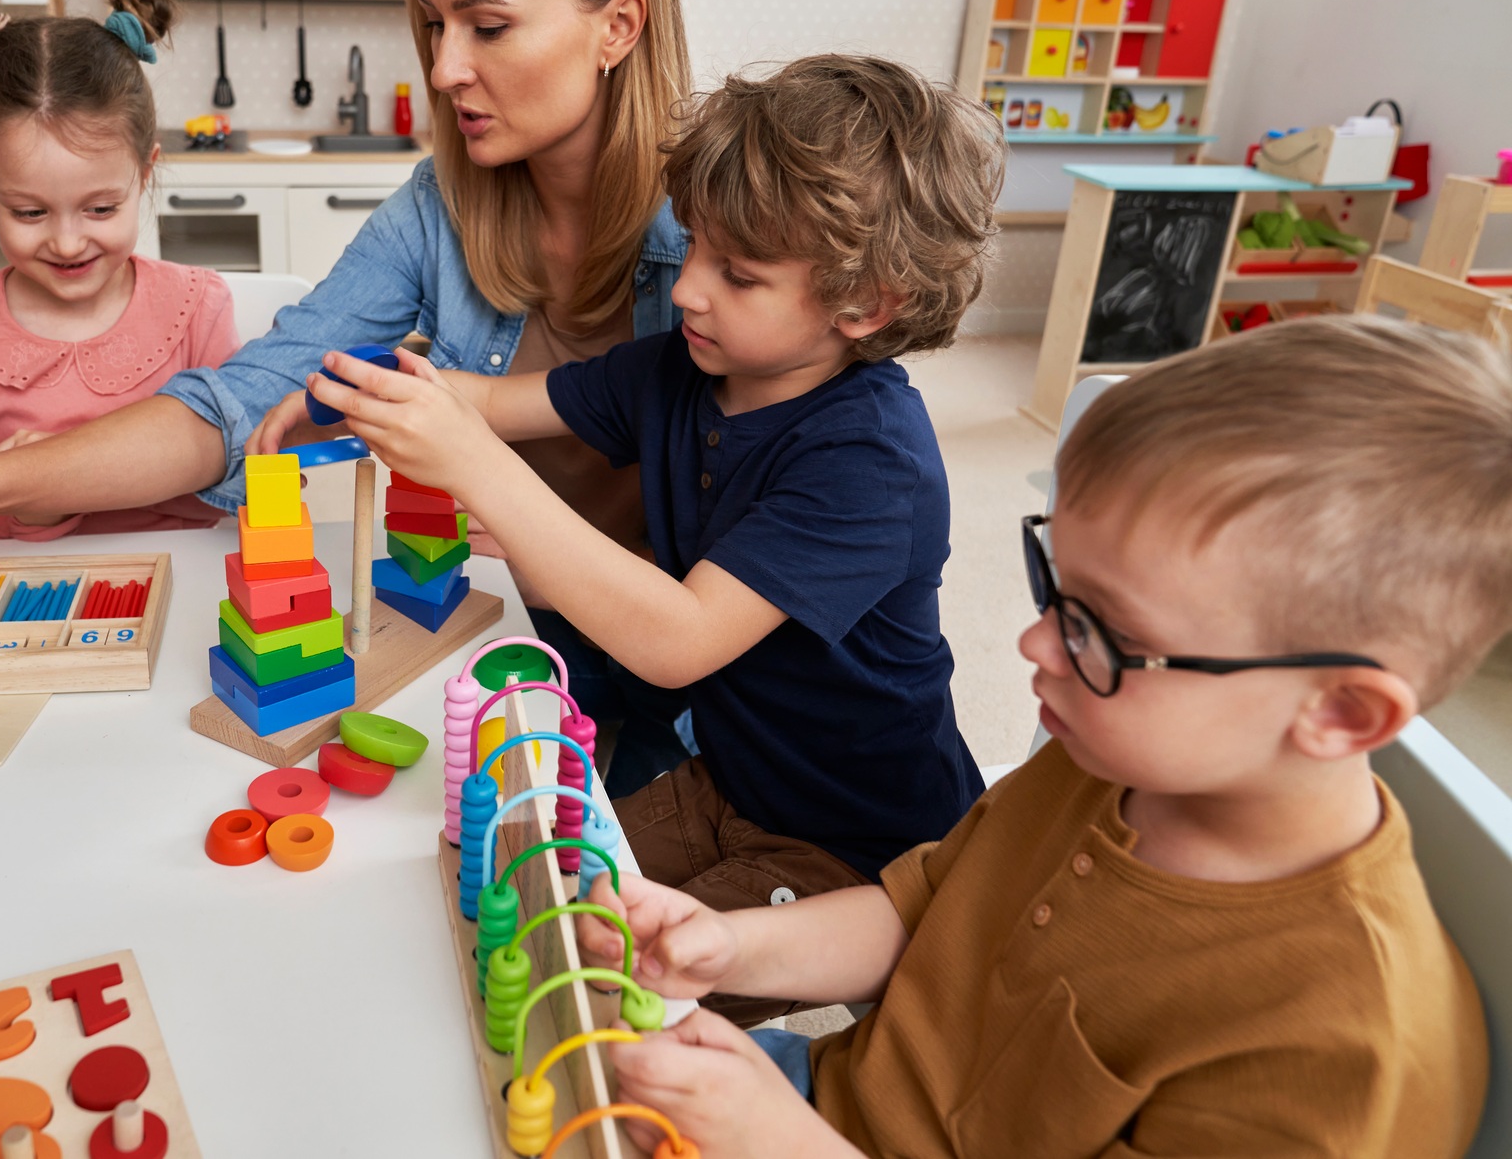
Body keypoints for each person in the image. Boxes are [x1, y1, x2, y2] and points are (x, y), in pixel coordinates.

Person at [0, 0, 699, 794]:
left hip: (696, 697)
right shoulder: (440, 207)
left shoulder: (726, 232)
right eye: (430, 24)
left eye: (487, 26)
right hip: (512, 649)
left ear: (618, 25)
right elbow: (236, 401)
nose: (445, 66)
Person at [578, 315, 1499, 1159]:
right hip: (821, 1100)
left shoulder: (1336, 1055)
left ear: (1341, 713)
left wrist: (775, 1139)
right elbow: (928, 905)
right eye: (1054, 580)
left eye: (1102, 630)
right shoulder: (1111, 757)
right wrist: (731, 947)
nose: (1031, 642)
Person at [309, 54, 1002, 1024]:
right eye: (698, 247)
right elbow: (496, 402)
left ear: (866, 303)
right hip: (727, 778)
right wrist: (353, 390)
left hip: (852, 848)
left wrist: (475, 469)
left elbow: (676, 640)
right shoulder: (677, 369)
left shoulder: (870, 460)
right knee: (513, 898)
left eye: (738, 273)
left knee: (585, 1008)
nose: (687, 291)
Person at [0, 0, 238, 540]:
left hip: (194, 581)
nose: (67, 242)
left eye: (101, 208)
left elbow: (233, 463)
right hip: (26, 602)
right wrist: (28, 508)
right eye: (30, 213)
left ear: (145, 174)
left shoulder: (197, 309)